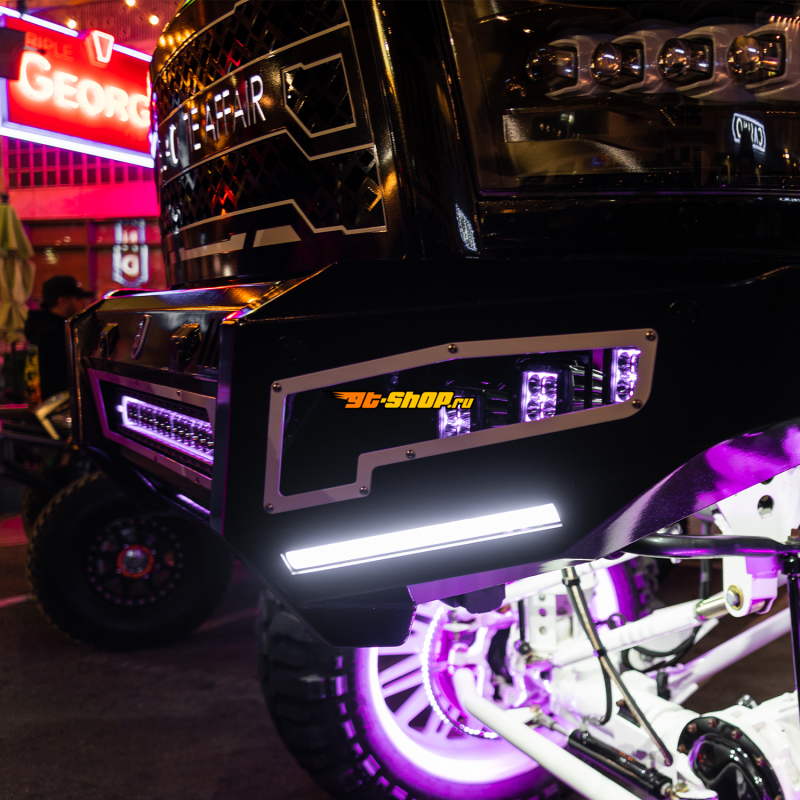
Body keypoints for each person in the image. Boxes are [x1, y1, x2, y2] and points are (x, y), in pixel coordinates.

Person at [23, 276, 94, 400]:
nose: (83, 303)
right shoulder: (57, 332)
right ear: (62, 301)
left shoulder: (39, 326)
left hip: (42, 406)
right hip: (58, 407)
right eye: (78, 298)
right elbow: (68, 381)